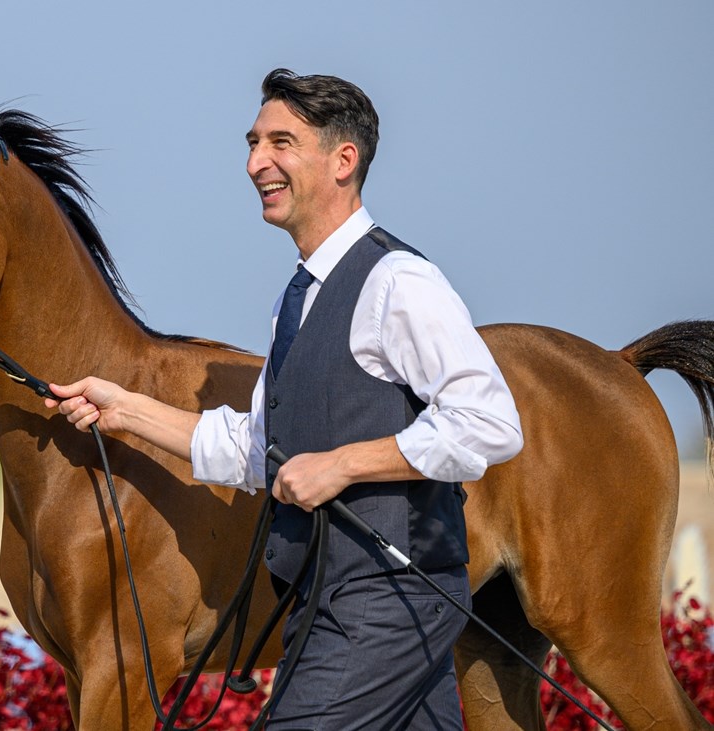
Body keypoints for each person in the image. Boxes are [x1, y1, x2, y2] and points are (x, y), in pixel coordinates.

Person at [45, 69, 523, 729]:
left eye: (281, 142)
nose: (255, 163)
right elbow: (255, 450)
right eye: (253, 142)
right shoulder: (295, 300)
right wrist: (122, 408)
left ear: (343, 160)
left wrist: (345, 463)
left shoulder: (399, 282)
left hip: (386, 601)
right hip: (323, 601)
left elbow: (489, 425)